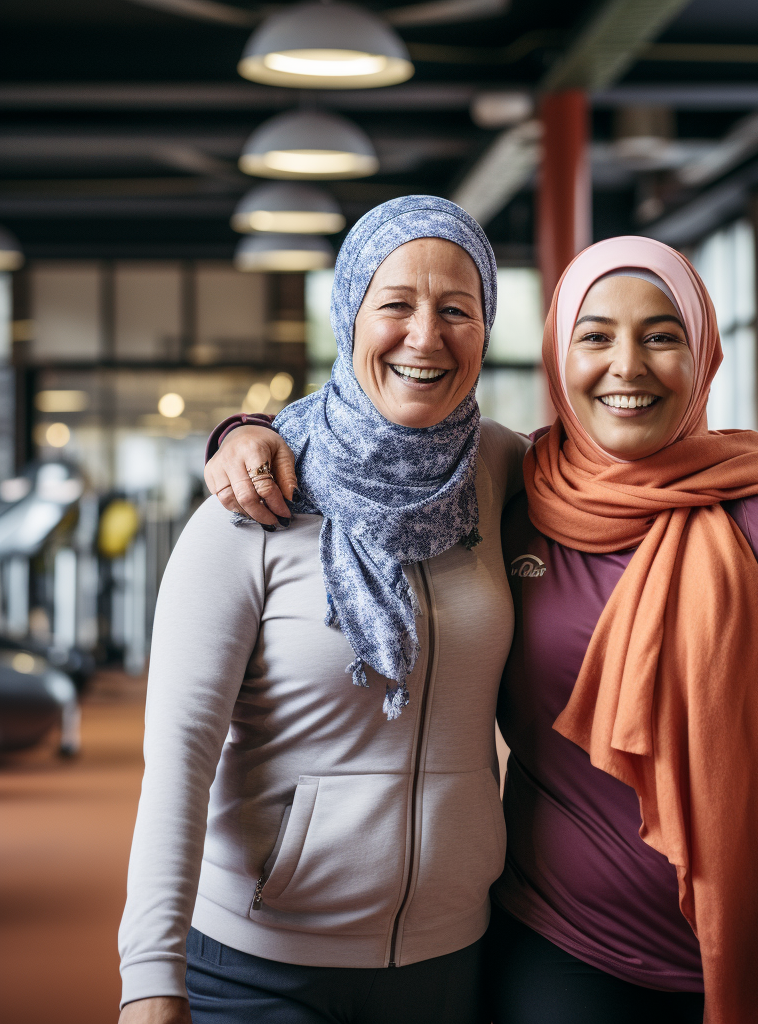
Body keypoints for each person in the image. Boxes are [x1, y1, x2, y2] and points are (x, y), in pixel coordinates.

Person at [209, 237, 758, 1024]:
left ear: (704, 354)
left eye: (662, 335)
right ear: (560, 354)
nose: (627, 366)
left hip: (740, 961)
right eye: (595, 336)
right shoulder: (509, 492)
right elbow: (374, 448)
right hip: (549, 951)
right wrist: (247, 431)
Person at [117, 196, 528, 1024]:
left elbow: (628, 480)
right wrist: (149, 979)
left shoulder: (504, 471)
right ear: (349, 311)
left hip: (453, 954)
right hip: (262, 961)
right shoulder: (254, 501)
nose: (426, 336)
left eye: (458, 309)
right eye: (397, 305)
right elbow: (179, 762)